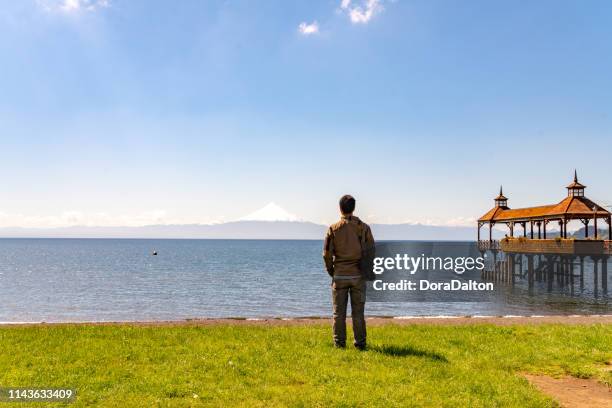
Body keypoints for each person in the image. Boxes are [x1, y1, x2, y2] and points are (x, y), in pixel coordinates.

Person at [323, 194, 375, 350]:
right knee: (358, 313)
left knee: (338, 314)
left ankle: (339, 344)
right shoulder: (364, 228)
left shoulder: (333, 229)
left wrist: (332, 271)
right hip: (358, 276)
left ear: (340, 208)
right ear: (354, 208)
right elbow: (371, 252)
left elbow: (326, 254)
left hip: (339, 275)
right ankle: (360, 344)